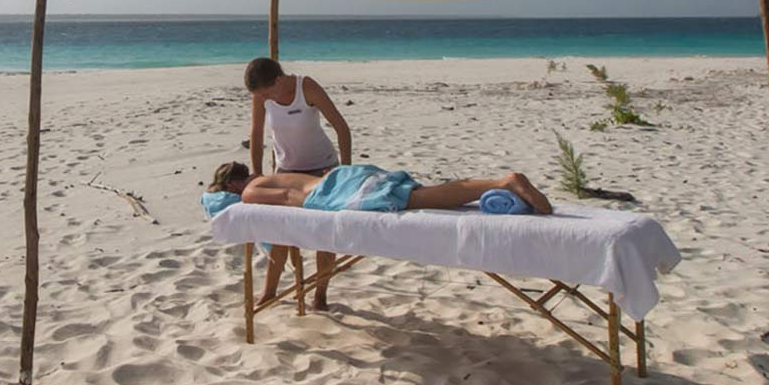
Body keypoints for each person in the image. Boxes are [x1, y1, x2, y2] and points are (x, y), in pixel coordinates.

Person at [243, 57, 352, 310]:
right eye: (260, 95)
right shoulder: (261, 96)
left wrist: (346, 171)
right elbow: (256, 134)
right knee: (279, 232)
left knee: (324, 234)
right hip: (286, 171)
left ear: (279, 80)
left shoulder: (307, 88)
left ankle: (320, 295)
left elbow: (342, 128)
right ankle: (270, 292)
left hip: (322, 168)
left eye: (267, 92)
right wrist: (258, 174)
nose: (264, 98)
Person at [207, 160, 554, 215]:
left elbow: (287, 199)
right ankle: (493, 187)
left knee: (419, 200)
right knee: (420, 194)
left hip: (336, 192)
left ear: (234, 184)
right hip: (342, 175)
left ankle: (500, 182)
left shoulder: (251, 191)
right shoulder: (274, 172)